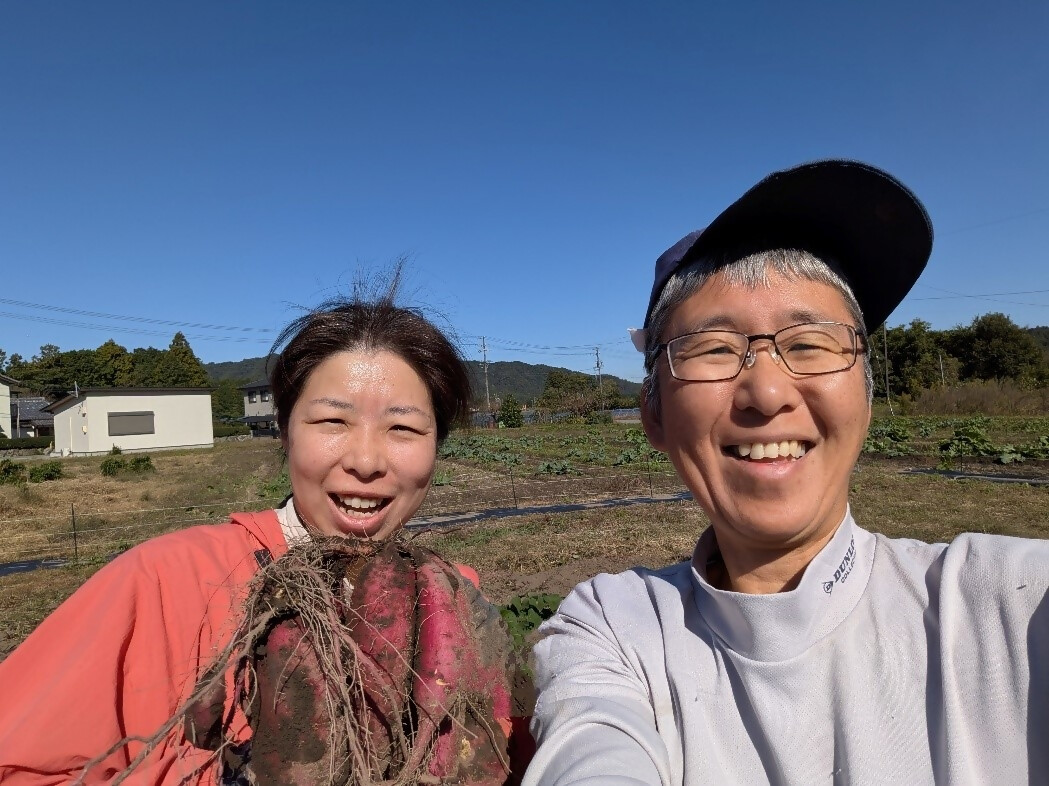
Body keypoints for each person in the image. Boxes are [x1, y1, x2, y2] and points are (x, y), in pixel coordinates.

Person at [523, 160, 1049, 784]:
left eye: (810, 343)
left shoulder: (1003, 604)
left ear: (867, 398)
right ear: (654, 417)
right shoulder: (616, 627)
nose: (767, 391)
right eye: (714, 349)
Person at [0, 283, 517, 784]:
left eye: (403, 428)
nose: (366, 461)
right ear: (285, 430)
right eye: (332, 421)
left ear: (436, 448)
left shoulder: (455, 600)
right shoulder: (161, 581)